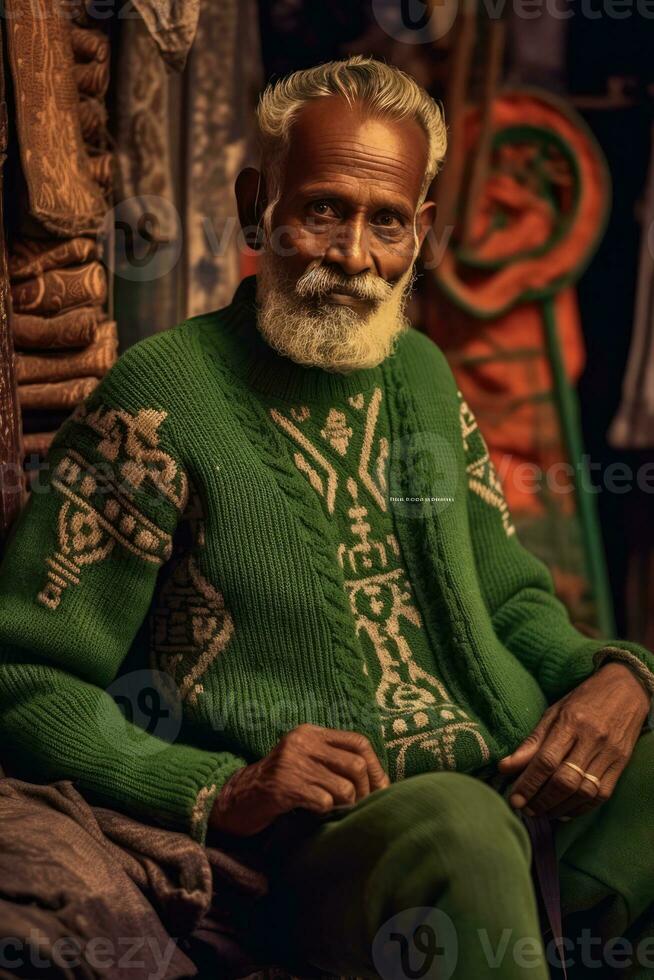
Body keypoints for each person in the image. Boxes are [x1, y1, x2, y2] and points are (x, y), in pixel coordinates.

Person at [0, 56, 653, 980]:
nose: (352, 254)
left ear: (420, 234)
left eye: (385, 221)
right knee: (460, 835)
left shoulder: (423, 375)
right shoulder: (158, 402)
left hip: (505, 783)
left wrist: (616, 674)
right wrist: (218, 788)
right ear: (255, 204)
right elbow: (25, 672)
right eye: (321, 211)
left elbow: (509, 605)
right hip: (318, 851)